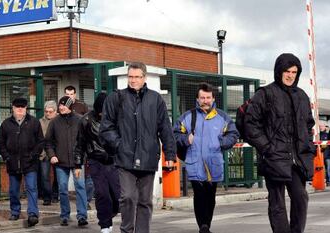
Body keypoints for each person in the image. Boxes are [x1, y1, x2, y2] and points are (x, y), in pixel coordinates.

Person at [99, 61, 176, 233]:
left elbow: (165, 128)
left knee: (145, 201)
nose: (133, 80)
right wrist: (119, 144)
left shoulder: (156, 99)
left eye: (137, 77)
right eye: (130, 77)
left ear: (144, 77)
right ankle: (127, 230)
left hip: (148, 156)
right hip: (125, 157)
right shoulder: (116, 98)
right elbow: (105, 128)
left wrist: (170, 154)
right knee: (128, 197)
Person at [244, 53, 315, 233]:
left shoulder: (302, 96)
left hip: (296, 159)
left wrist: (308, 147)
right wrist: (266, 147)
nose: (290, 75)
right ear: (278, 71)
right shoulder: (265, 94)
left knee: (301, 198)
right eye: (287, 71)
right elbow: (251, 124)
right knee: (277, 203)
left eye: (294, 71)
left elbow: (308, 125)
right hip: (273, 157)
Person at [173, 83, 239, 233]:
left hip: (214, 162)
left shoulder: (222, 117)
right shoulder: (188, 116)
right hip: (194, 161)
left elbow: (233, 134)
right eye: (202, 97)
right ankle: (203, 226)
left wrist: (221, 142)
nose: (205, 100)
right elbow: (175, 133)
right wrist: (186, 139)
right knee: (199, 194)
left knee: (210, 195)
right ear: (197, 99)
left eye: (208, 97)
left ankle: (206, 225)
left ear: (213, 98)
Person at [74, 93, 120, 233]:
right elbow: (79, 144)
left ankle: (111, 213)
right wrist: (78, 164)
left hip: (114, 161)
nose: (102, 114)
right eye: (100, 112)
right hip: (96, 161)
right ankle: (105, 225)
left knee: (118, 196)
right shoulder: (86, 120)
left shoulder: (117, 119)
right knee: (102, 194)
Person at [0, 97, 44, 227]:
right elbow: (0, 143)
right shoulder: (6, 124)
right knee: (13, 190)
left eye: (22, 107)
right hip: (12, 163)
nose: (20, 109)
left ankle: (33, 214)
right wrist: (6, 157)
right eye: (17, 107)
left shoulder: (34, 122)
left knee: (32, 188)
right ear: (12, 108)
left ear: (26, 108)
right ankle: (15, 211)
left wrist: (34, 155)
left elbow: (40, 141)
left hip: (30, 163)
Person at [45, 96, 88, 227]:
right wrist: (52, 155)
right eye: (60, 105)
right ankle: (64, 215)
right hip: (60, 163)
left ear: (70, 106)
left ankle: (82, 216)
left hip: (77, 163)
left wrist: (82, 159)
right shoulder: (54, 122)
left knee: (80, 187)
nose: (61, 107)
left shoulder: (80, 120)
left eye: (64, 105)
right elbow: (48, 142)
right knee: (62, 189)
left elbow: (85, 141)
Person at [64, 85, 93, 209]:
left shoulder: (82, 105)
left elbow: (88, 121)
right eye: (67, 94)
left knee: (87, 177)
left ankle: (86, 200)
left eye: (71, 94)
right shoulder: (63, 105)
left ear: (75, 94)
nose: (69, 96)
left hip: (83, 146)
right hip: (69, 147)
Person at [38, 100, 57, 206]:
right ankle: (47, 197)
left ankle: (55, 195)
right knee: (45, 176)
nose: (48, 114)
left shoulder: (59, 120)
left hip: (57, 153)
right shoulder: (40, 122)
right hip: (44, 153)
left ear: (55, 111)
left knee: (58, 176)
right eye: (46, 111)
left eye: (50, 111)